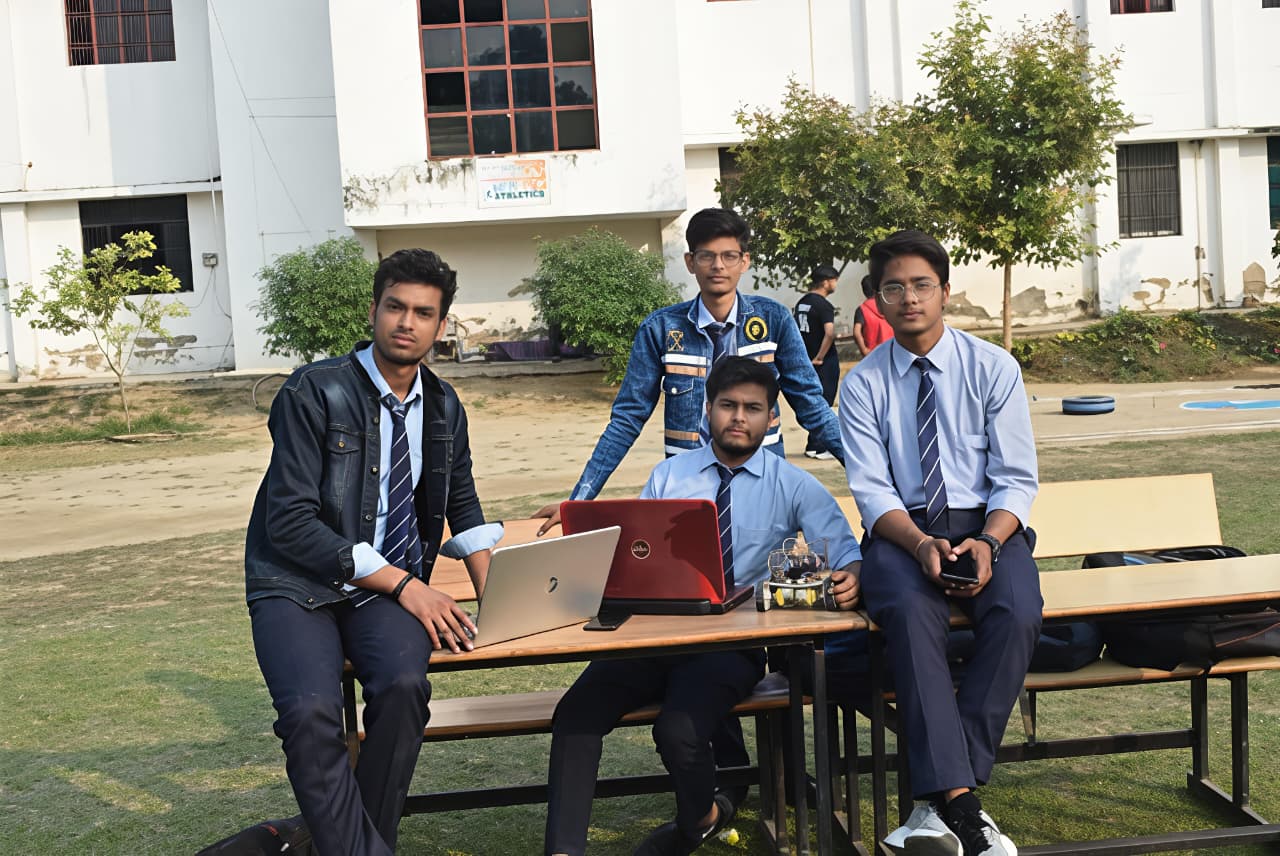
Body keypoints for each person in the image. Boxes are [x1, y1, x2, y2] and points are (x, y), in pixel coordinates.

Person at [544, 357, 862, 856]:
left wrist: (850, 576)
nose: (739, 417)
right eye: (728, 406)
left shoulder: (793, 483)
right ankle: (562, 850)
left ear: (771, 419)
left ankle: (700, 819)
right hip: (652, 638)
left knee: (678, 730)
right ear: (707, 411)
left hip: (731, 645)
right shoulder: (669, 476)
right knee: (576, 714)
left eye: (753, 408)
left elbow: (845, 550)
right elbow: (636, 555)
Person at [243, 249, 501, 856]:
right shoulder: (314, 391)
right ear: (374, 310)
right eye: (395, 307)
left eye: (423, 313)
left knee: (406, 686)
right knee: (310, 715)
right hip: (296, 583)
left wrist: (502, 598)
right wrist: (408, 586)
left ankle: (351, 845)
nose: (406, 322)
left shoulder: (443, 405)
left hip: (380, 592)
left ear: (442, 326)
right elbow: (290, 523)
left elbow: (462, 506)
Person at [838, 230, 1041, 856]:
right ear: (875, 299)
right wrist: (922, 543)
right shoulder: (863, 383)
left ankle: (938, 800)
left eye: (922, 284)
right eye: (893, 287)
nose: (909, 298)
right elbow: (872, 492)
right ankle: (966, 808)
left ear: (945, 292)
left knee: (1017, 611)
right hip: (905, 532)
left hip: (988, 526)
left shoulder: (992, 367)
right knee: (907, 616)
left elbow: (1016, 477)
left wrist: (987, 540)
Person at [535, 207, 844, 535]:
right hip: (688, 487)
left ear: (745, 261)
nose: (718, 266)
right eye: (707, 256)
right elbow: (627, 418)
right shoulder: (662, 329)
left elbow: (812, 405)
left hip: (763, 481)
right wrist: (581, 498)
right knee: (686, 577)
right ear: (689, 262)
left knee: (764, 577)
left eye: (729, 255)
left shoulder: (774, 321)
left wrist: (865, 474)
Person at [793, 264, 841, 460]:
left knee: (813, 400)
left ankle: (812, 445)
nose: (835, 284)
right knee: (825, 402)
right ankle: (821, 448)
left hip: (807, 359)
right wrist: (820, 356)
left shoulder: (802, 303)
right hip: (823, 361)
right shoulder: (824, 305)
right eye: (834, 280)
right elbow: (829, 333)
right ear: (826, 282)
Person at [851, 273, 894, 357]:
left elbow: (856, 332)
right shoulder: (890, 305)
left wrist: (864, 350)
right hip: (893, 349)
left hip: (873, 353)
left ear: (863, 290)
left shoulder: (862, 309)